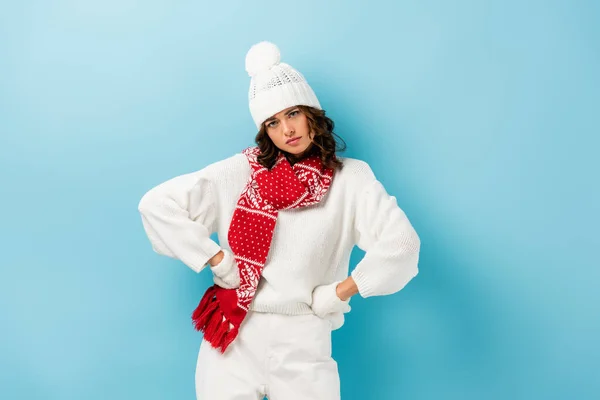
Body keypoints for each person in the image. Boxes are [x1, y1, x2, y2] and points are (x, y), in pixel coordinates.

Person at [137, 41, 421, 400]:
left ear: (311, 113)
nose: (287, 130)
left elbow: (402, 246)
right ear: (265, 131)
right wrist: (219, 261)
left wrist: (338, 292)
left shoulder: (351, 178)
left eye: (292, 114)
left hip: (304, 340)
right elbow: (156, 205)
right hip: (234, 337)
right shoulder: (242, 171)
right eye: (273, 122)